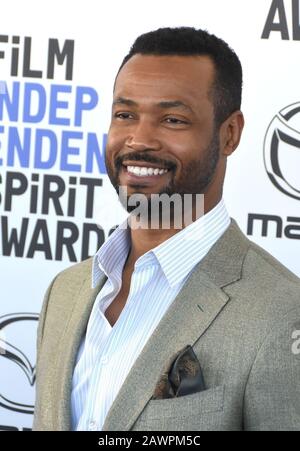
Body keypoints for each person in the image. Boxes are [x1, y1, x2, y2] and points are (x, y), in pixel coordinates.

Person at [33, 27, 300, 431]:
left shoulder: (280, 310)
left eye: (172, 119)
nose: (138, 140)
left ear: (229, 134)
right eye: (125, 115)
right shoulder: (65, 291)